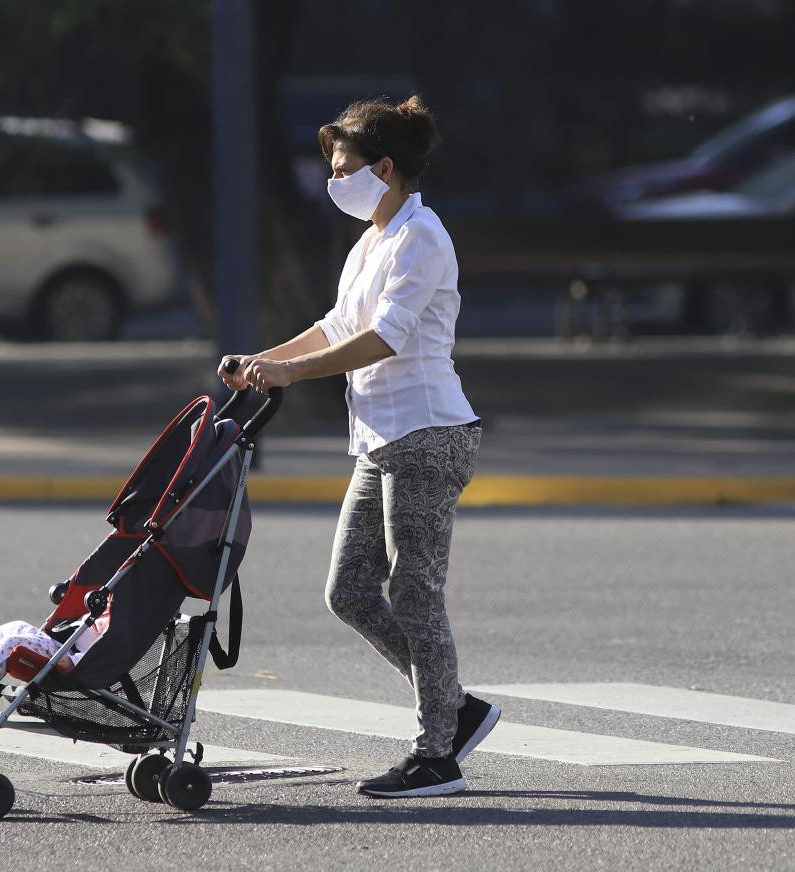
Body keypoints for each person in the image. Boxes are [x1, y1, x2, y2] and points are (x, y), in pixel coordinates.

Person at [218, 96, 501, 798]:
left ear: (383, 167)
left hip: (428, 434)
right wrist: (264, 360)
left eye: (342, 167)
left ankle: (438, 754)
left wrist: (288, 372)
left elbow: (384, 337)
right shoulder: (373, 240)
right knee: (349, 592)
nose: (332, 178)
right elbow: (335, 324)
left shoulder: (421, 237)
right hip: (383, 437)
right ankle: (455, 706)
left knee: (413, 591)